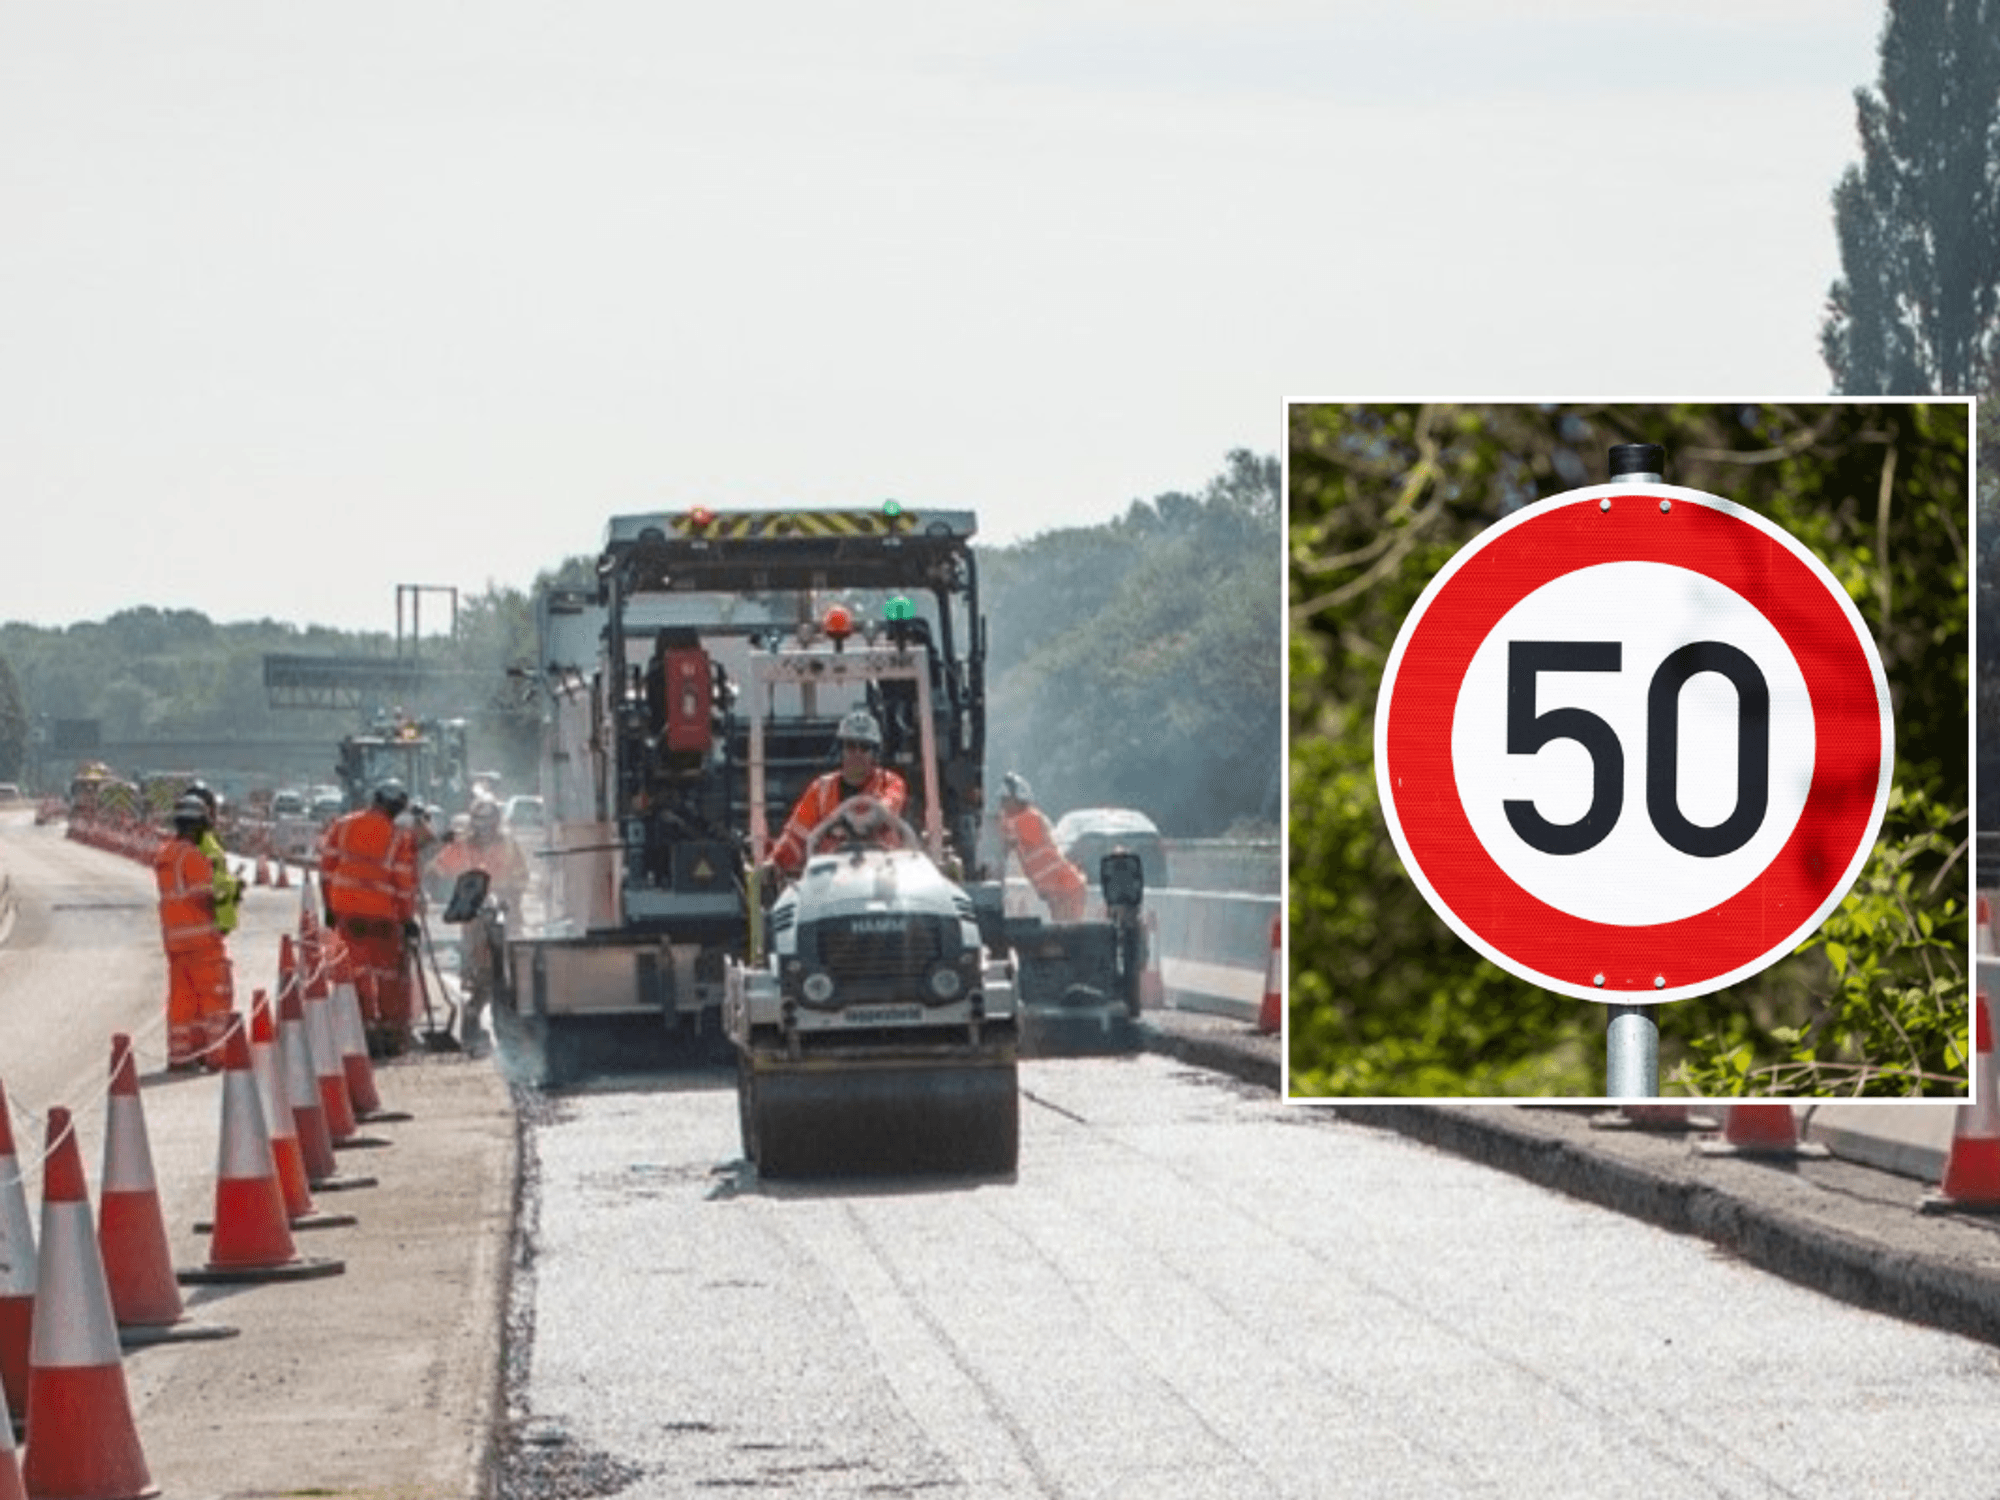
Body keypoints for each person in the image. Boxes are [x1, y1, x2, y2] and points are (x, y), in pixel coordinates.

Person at [320, 779, 421, 1057]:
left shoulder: (343, 825)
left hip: (346, 911)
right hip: (382, 915)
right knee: (389, 972)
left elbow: (326, 870)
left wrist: (328, 908)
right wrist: (407, 919)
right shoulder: (399, 836)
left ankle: (361, 1028)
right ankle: (390, 1033)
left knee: (355, 969)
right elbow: (403, 883)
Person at [425, 795, 530, 1048]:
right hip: (475, 924)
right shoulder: (462, 846)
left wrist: (507, 894)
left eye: (489, 820)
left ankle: (510, 1032)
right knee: (481, 979)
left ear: (497, 821)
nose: (484, 827)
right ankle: (472, 1030)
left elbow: (521, 878)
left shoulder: (509, 846)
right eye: (480, 820)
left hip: (506, 919)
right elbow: (436, 872)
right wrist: (449, 893)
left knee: (509, 978)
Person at [763, 709, 908, 882]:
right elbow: (796, 835)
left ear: (875, 753)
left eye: (865, 747)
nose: (857, 753)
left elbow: (888, 805)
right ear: (841, 749)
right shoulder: (820, 789)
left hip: (881, 876)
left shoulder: (890, 782)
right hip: (830, 882)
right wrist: (776, 861)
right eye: (851, 745)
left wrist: (866, 818)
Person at [154, 794, 235, 1071]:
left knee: (182, 1002)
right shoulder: (193, 857)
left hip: (175, 943)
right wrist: (228, 895)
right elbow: (204, 897)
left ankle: (181, 1055)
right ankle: (217, 1054)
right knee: (214, 998)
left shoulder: (165, 854)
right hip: (202, 942)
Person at [996, 772, 1088, 923]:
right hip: (1059, 890)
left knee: (1067, 933)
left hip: (1067, 888)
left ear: (1018, 799)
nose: (1002, 804)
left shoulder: (1028, 818)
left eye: (1006, 799)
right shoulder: (1016, 819)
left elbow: (1010, 840)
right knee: (1061, 931)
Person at [182, 780, 244, 940]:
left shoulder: (174, 848)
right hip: (206, 935)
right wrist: (235, 886)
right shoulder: (208, 846)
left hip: (182, 935)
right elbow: (216, 889)